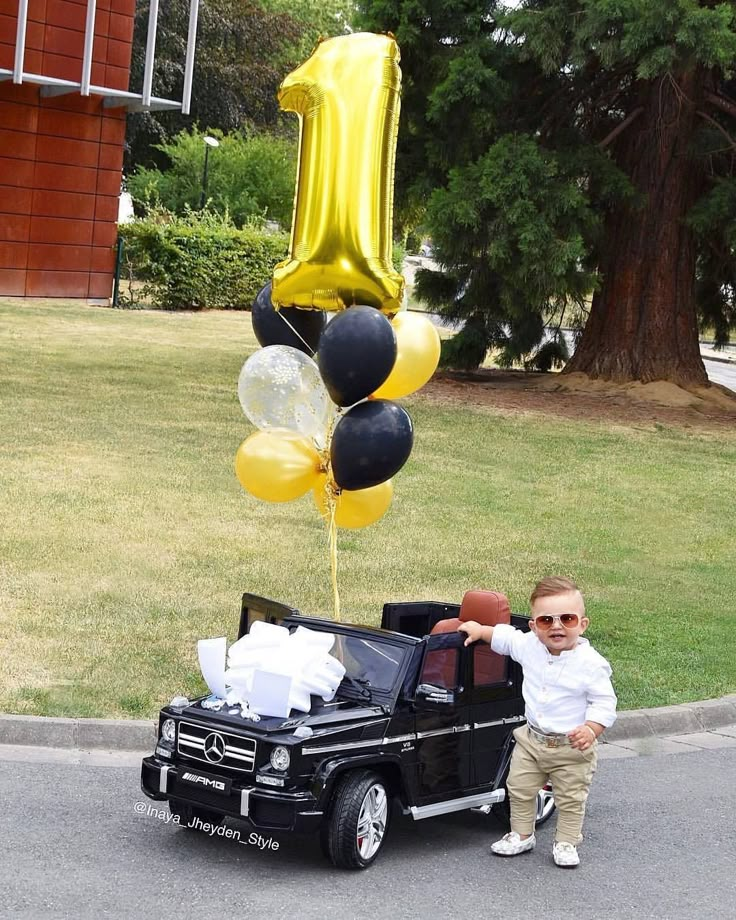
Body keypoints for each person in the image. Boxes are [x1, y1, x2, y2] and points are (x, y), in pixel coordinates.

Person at [458, 576, 616, 868]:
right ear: (533, 626)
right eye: (546, 620)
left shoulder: (591, 664)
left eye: (567, 619)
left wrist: (592, 728)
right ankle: (521, 834)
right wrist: (480, 630)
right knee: (518, 787)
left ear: (582, 624)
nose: (557, 626)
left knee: (570, 796)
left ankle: (567, 842)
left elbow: (605, 702)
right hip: (532, 740)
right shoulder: (529, 645)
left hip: (571, 745)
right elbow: (505, 638)